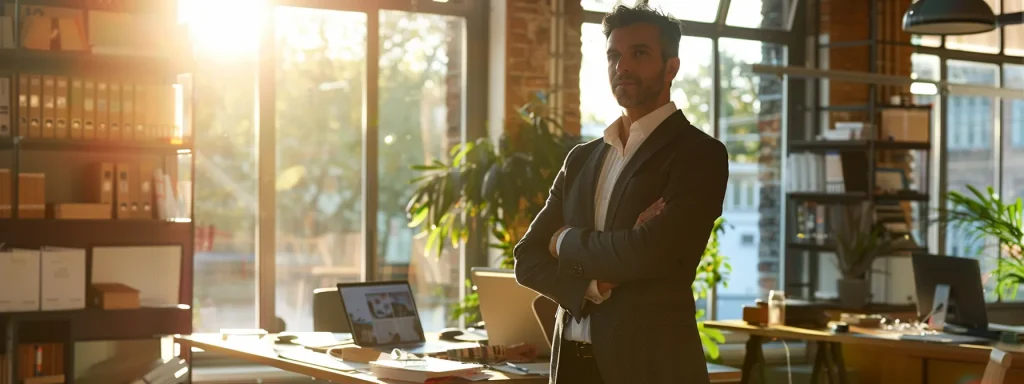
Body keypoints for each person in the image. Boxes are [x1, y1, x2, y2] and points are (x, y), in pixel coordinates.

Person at [513, 4, 729, 384]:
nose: (622, 66)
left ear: (671, 67)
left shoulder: (700, 155)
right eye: (614, 55)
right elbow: (527, 259)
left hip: (650, 367)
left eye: (639, 53)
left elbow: (649, 253)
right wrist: (590, 286)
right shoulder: (581, 159)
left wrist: (563, 241)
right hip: (571, 367)